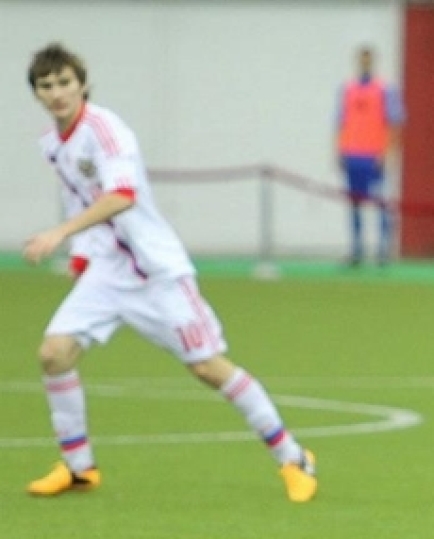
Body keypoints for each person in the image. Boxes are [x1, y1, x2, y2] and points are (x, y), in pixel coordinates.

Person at [22, 43, 317, 503]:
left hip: (155, 272)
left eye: (64, 82)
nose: (57, 93)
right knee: (54, 354)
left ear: (82, 83)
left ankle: (294, 457)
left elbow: (121, 196)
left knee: (208, 367)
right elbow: (78, 196)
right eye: (46, 86)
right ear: (37, 94)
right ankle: (79, 468)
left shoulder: (107, 131)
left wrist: (60, 233)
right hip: (108, 269)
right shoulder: (53, 143)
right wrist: (82, 256)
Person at [335, 45, 404, 266]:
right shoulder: (348, 89)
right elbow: (341, 122)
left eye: (368, 60)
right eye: (361, 60)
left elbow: (394, 123)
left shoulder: (385, 90)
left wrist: (387, 152)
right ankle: (357, 249)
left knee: (381, 203)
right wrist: (340, 150)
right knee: (355, 205)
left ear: (373, 62)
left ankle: (383, 250)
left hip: (374, 156)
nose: (364, 64)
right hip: (353, 154)